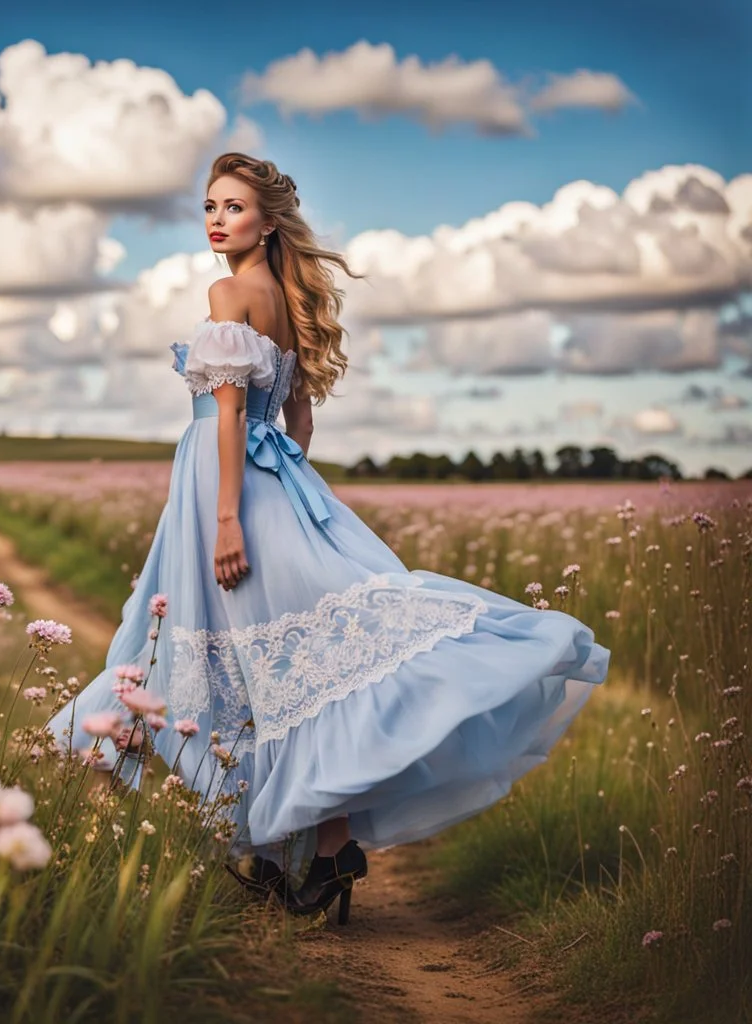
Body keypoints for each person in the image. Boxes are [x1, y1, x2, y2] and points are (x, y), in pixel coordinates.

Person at [44, 152, 610, 925]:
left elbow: (234, 417)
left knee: (232, 653)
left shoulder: (228, 291)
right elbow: (298, 419)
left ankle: (284, 845)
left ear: (267, 221)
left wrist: (227, 518)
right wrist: (288, 489)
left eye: (234, 207)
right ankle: (322, 847)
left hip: (225, 488)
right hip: (278, 483)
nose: (216, 219)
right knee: (300, 664)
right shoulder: (288, 299)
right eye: (210, 206)